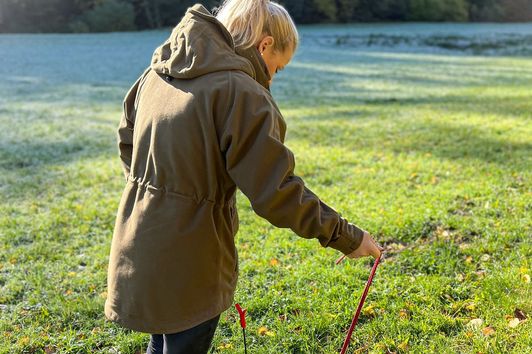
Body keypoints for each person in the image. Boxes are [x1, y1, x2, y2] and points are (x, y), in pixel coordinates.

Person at [104, 0, 383, 353]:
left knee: (162, 342)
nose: (271, 79)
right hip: (192, 257)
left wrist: (160, 192)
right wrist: (345, 235)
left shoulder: (156, 73)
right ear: (264, 45)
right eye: (276, 69)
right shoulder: (240, 92)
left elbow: (127, 140)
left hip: (138, 240)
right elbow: (277, 192)